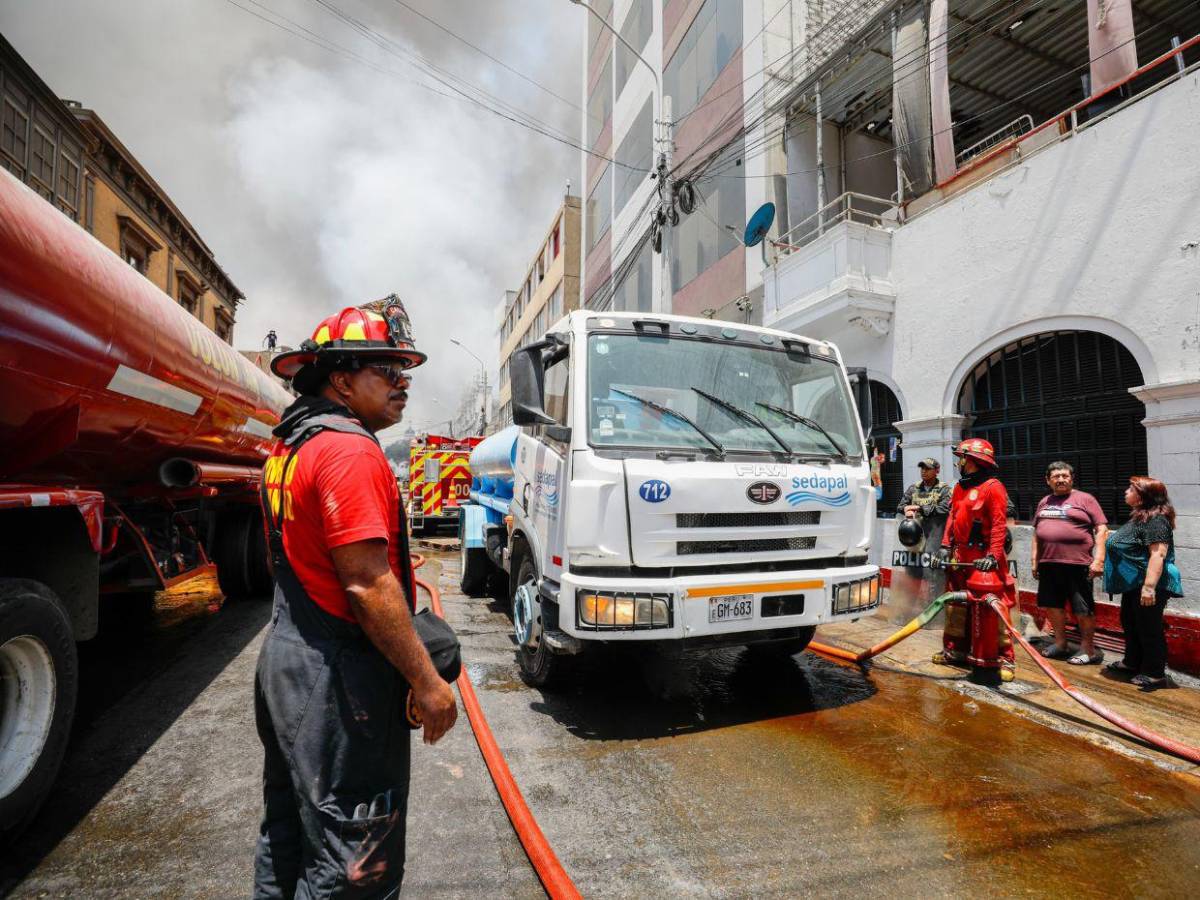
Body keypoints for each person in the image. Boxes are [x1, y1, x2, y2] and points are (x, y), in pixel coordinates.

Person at [253, 304, 457, 898]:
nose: (404, 383)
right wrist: (426, 681)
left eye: (405, 371)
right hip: (339, 689)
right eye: (387, 370)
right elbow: (367, 584)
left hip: (289, 663)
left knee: (288, 832)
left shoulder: (290, 447)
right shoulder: (349, 451)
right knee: (353, 860)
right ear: (341, 379)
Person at [931, 438, 1019, 681]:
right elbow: (952, 517)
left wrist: (993, 555)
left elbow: (1000, 524)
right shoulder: (960, 487)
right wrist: (944, 546)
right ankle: (955, 649)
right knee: (956, 604)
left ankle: (1005, 658)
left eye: (961, 457)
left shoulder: (993, 487)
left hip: (983, 557)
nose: (958, 462)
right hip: (961, 556)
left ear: (970, 460)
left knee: (995, 605)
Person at [1103, 477, 1183, 691]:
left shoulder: (1156, 520)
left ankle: (1155, 673)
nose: (1126, 492)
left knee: (1149, 627)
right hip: (1134, 582)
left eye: (1131, 489)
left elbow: (1158, 554)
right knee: (1130, 622)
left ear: (1143, 496)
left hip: (1150, 583)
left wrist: (1149, 588)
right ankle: (1132, 662)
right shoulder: (1140, 517)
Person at [1031, 461, 1108, 664]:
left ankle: (1088, 649)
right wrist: (1034, 560)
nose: (1061, 479)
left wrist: (1099, 560)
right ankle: (1060, 643)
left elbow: (1102, 530)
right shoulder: (1044, 502)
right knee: (1053, 605)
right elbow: (1037, 534)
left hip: (1078, 564)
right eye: (1056, 476)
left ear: (1072, 479)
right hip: (1049, 563)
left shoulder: (1085, 499)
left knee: (1082, 608)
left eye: (1065, 476)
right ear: (1048, 480)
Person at [894, 458, 951, 597]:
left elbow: (945, 508)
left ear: (936, 471)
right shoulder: (914, 488)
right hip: (915, 539)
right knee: (912, 573)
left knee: (931, 573)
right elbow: (900, 506)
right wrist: (906, 509)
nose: (923, 471)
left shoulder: (944, 489)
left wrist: (921, 508)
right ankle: (908, 609)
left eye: (927, 469)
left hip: (934, 537)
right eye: (922, 468)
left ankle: (932, 609)